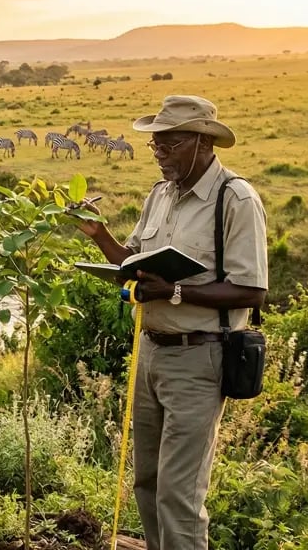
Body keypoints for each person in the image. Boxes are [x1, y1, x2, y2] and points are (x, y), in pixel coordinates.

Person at [77, 95, 267, 550]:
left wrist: (176, 291)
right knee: (147, 482)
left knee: (179, 494)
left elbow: (252, 289)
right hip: (151, 352)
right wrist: (98, 233)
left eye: (170, 144)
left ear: (202, 142)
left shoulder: (234, 198)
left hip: (199, 358)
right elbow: (133, 262)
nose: (159, 153)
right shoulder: (160, 194)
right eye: (155, 146)